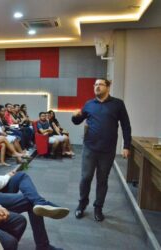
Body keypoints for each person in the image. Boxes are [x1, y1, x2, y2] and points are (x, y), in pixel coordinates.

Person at [0, 125, 68, 250]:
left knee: (21, 176)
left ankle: (41, 203)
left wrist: (6, 176)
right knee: (30, 202)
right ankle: (43, 245)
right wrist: (6, 176)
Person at [72, 78, 131, 222]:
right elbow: (78, 121)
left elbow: (126, 125)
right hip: (90, 148)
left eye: (100, 85)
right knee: (85, 178)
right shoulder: (89, 104)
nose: (97, 87)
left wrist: (126, 146)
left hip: (107, 150)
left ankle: (98, 207)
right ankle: (82, 204)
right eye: (95, 85)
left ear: (108, 87)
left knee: (102, 180)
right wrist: (75, 116)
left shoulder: (117, 104)